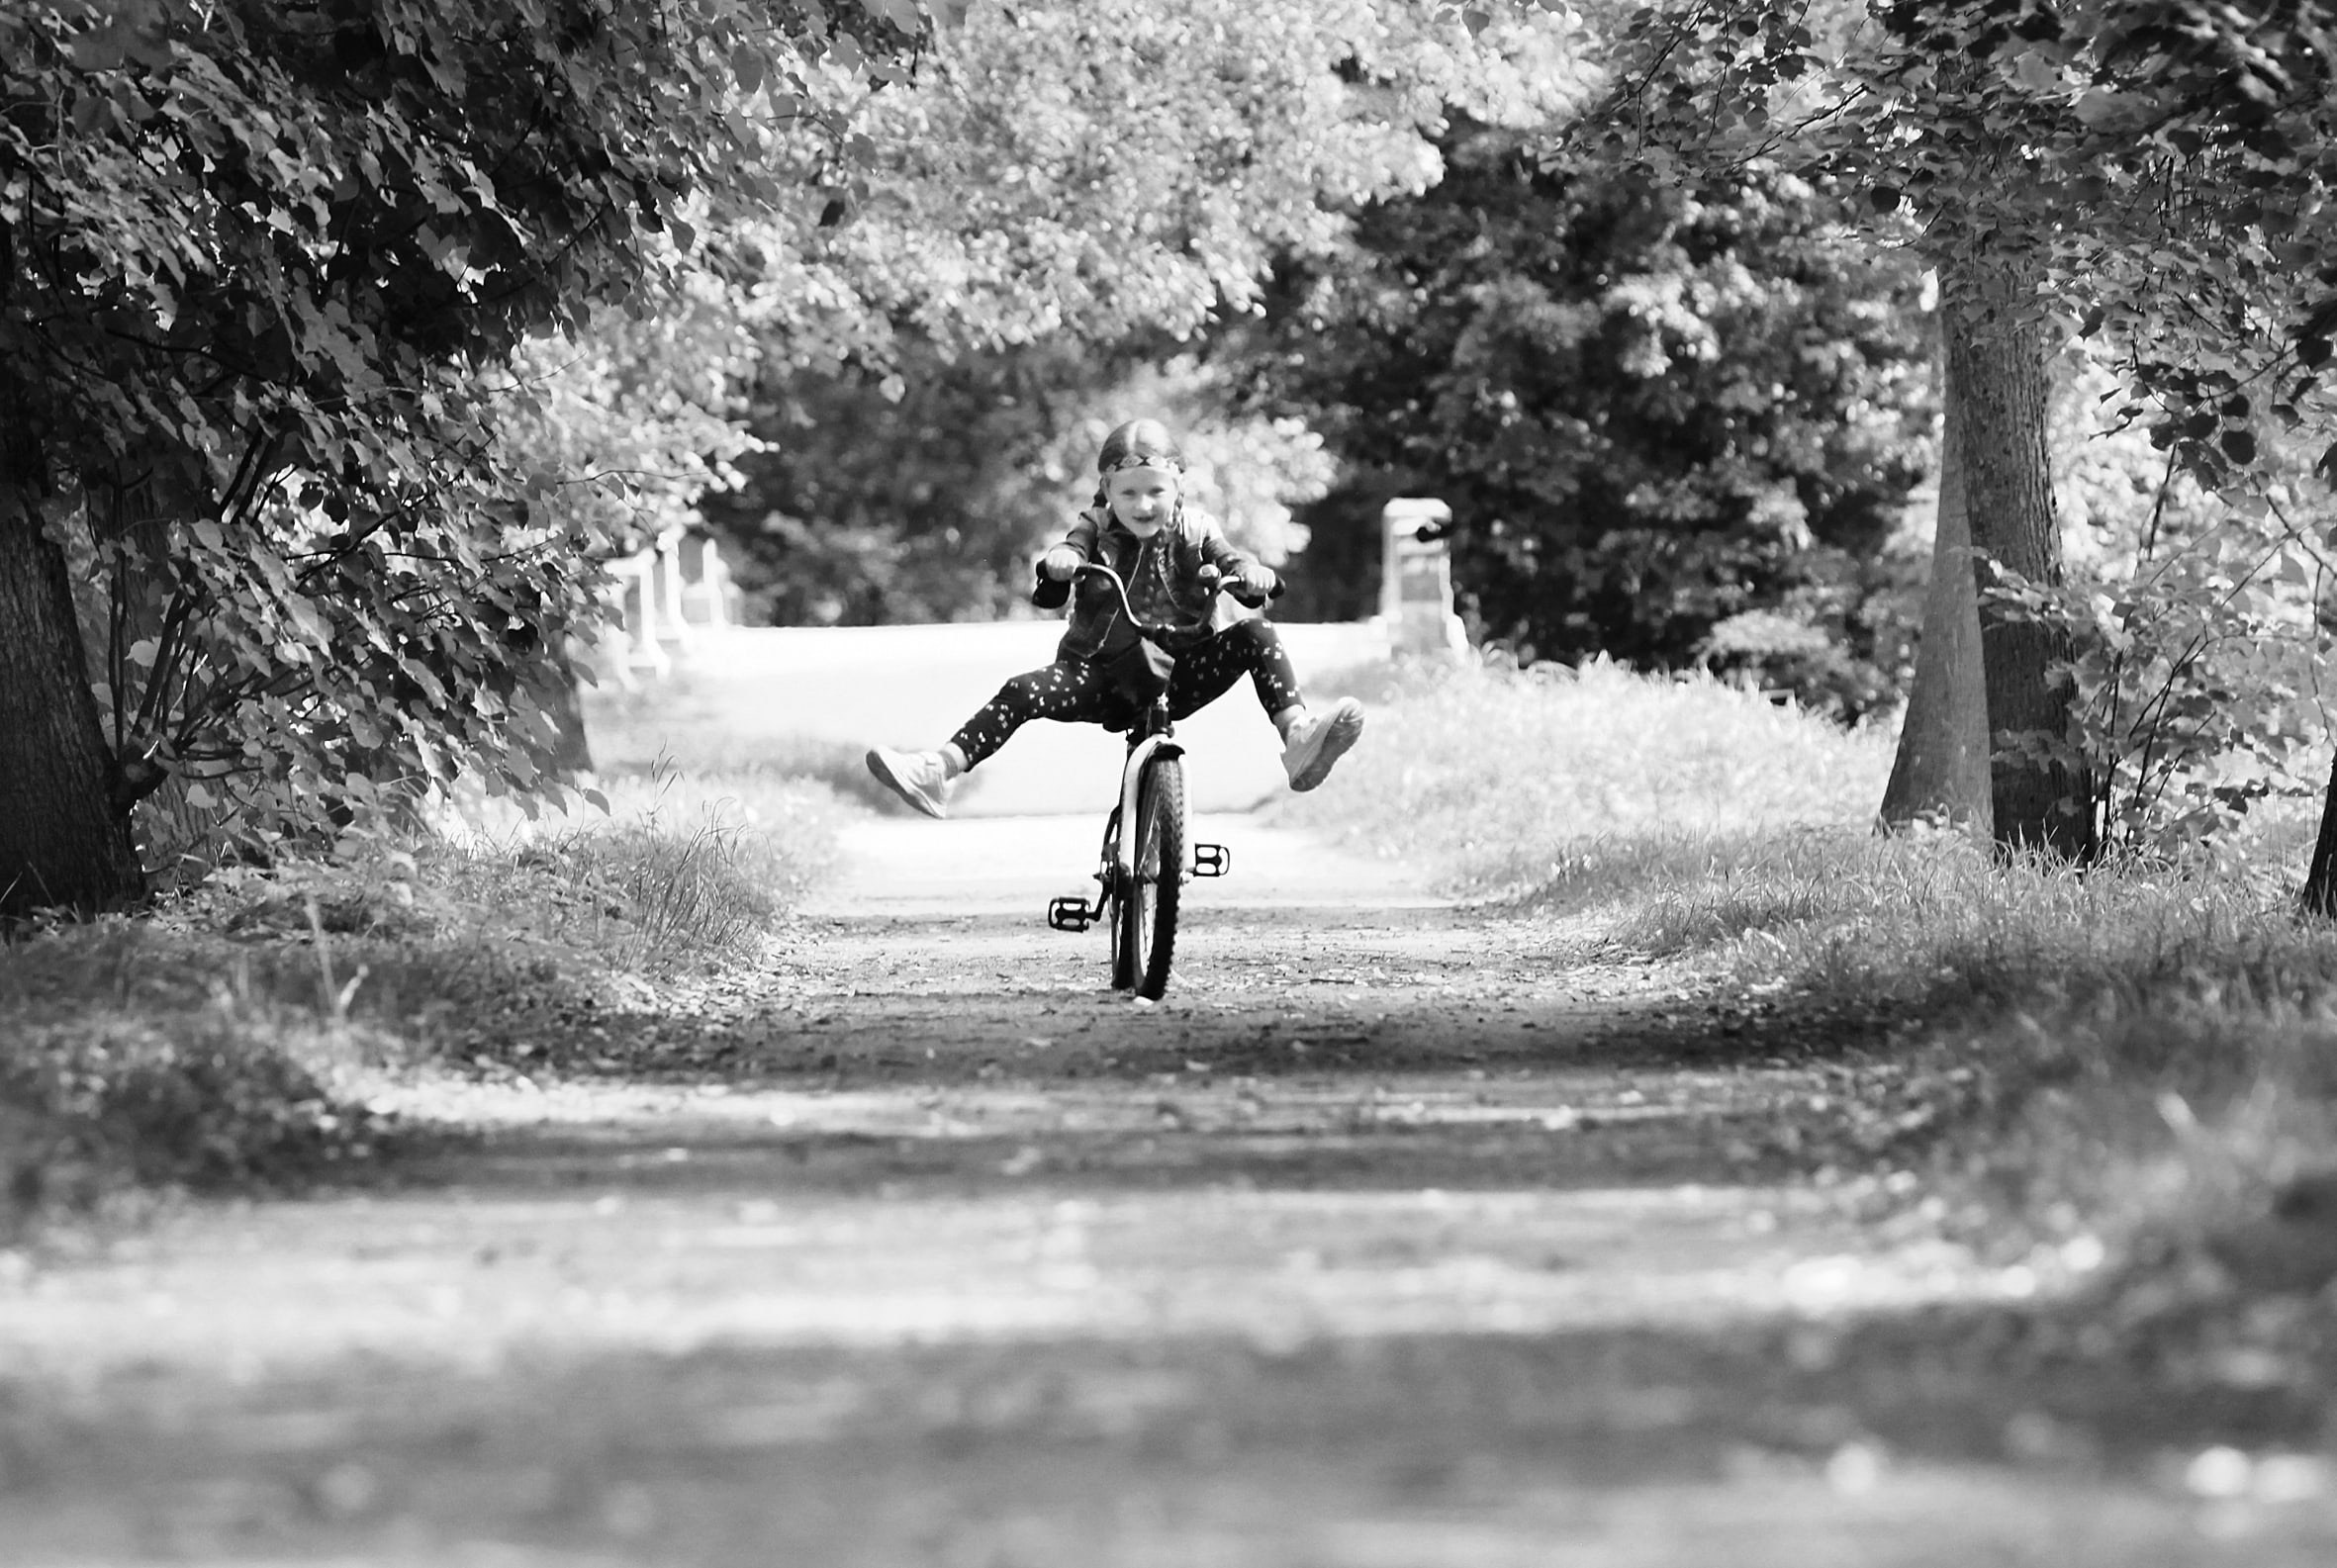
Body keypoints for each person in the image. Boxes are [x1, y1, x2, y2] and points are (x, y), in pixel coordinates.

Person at [865, 417, 1365, 819]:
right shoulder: (1096, 526)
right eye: (1128, 493)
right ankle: (940, 769)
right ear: (1107, 488)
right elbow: (1069, 552)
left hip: (1182, 674)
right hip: (1102, 676)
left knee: (1257, 632)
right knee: (1021, 690)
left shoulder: (1197, 529)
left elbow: (1232, 560)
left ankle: (1298, 736)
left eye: (1155, 491)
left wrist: (1251, 573)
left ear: (1178, 486)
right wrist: (1062, 562)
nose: (1143, 505)